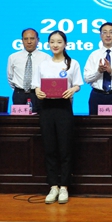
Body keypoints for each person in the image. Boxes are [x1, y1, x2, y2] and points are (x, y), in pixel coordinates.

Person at [33, 30, 82, 204]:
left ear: (65, 44)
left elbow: (78, 84)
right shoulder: (43, 64)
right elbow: (36, 86)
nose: (55, 45)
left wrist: (73, 89)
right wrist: (38, 91)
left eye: (59, 42)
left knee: (65, 148)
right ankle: (53, 186)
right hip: (46, 109)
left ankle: (64, 187)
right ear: (48, 44)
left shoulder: (72, 63)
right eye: (52, 42)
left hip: (63, 109)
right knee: (49, 148)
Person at [83, 22, 112, 114]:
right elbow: (86, 79)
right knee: (95, 122)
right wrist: (98, 72)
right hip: (97, 96)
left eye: (111, 32)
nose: (108, 35)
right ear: (100, 35)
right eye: (104, 32)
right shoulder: (94, 55)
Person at [7, 28, 48, 112]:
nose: (29, 42)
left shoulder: (46, 58)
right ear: (22, 40)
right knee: (19, 119)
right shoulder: (13, 57)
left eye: (32, 38)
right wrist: (19, 89)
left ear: (38, 40)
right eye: (26, 39)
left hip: (38, 94)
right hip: (19, 94)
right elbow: (10, 77)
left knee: (40, 118)